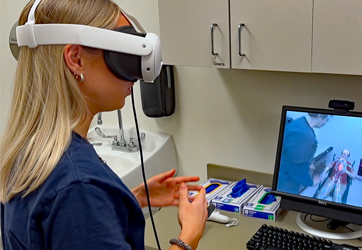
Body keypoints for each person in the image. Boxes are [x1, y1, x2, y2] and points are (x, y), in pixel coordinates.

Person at [0, 0, 208, 249]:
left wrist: (129, 200)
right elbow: (74, 205)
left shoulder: (28, 152)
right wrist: (189, 235)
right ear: (76, 59)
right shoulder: (79, 187)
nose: (137, 73)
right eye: (122, 55)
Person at [277, 113, 331, 194]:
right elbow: (297, 169)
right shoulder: (305, 136)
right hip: (286, 182)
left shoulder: (299, 123)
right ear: (320, 116)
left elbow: (294, 152)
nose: (325, 123)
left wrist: (309, 162)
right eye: (326, 120)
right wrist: (311, 183)